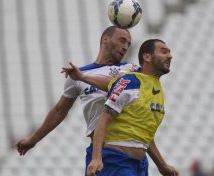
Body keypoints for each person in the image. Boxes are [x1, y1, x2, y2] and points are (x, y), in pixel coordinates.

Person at [16, 26, 172, 175]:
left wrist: (161, 164)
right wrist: (33, 139)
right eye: (122, 41)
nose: (126, 47)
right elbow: (59, 111)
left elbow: (135, 115)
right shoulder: (77, 75)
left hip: (134, 155)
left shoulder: (131, 69)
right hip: (106, 154)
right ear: (105, 39)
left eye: (129, 43)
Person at [64, 39, 178, 175]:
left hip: (139, 166)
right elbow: (103, 119)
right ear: (147, 57)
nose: (170, 56)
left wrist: (162, 165)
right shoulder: (129, 81)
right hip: (116, 161)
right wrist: (96, 158)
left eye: (169, 52)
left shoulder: (158, 91)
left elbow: (145, 134)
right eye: (164, 52)